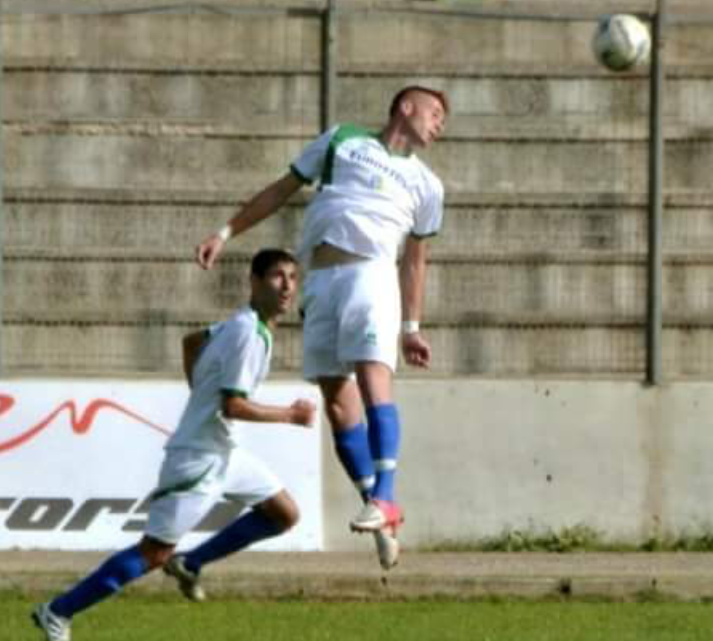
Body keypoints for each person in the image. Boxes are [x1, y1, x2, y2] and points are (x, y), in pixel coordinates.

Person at [195, 86, 448, 570]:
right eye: (434, 113)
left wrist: (412, 326)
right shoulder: (342, 141)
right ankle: (377, 504)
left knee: (375, 385)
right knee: (337, 402)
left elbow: (415, 260)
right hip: (321, 282)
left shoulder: (427, 185)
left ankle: (387, 498)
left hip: (371, 275)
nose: (439, 124)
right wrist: (226, 232)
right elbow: (281, 189)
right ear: (404, 107)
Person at [33, 249, 315, 641]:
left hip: (225, 453)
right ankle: (58, 611)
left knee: (283, 513)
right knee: (153, 553)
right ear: (253, 281)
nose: (287, 286)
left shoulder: (242, 325)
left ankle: (192, 562)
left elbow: (189, 342)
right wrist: (289, 415)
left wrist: (199, 394)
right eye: (276, 277)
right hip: (198, 459)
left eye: (292, 277)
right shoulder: (249, 334)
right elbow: (231, 404)